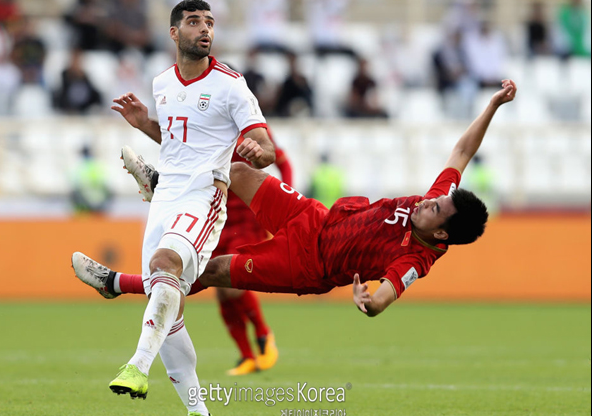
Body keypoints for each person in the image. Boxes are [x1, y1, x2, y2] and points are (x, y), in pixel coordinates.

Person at [73, 80, 517, 356]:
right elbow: (462, 152)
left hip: (307, 264)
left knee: (209, 270)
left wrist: (368, 301)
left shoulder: (416, 260)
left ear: (440, 232)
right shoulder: (439, 201)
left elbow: (385, 298)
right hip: (315, 218)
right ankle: (163, 182)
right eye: (435, 200)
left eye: (435, 208)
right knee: (237, 169)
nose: (427, 201)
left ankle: (117, 284)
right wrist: (493, 106)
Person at [105, 0, 275, 416]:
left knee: (164, 269)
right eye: (194, 21)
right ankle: (199, 413)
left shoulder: (231, 85)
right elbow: (177, 142)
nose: (205, 29)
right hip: (164, 197)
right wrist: (145, 123)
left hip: (204, 197)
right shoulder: (163, 82)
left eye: (210, 23)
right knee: (165, 302)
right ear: (174, 33)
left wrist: (259, 152)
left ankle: (137, 365)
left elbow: (266, 146)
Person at [75, 129, 292, 377]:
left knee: (231, 284)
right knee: (219, 289)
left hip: (245, 220)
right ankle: (246, 355)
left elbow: (280, 160)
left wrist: (283, 197)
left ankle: (264, 335)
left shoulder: (248, 131)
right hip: (213, 218)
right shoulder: (207, 130)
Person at [69, 144, 113, 214]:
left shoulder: (80, 167)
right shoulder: (98, 165)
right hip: (99, 201)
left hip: (87, 202)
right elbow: (107, 185)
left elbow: (75, 186)